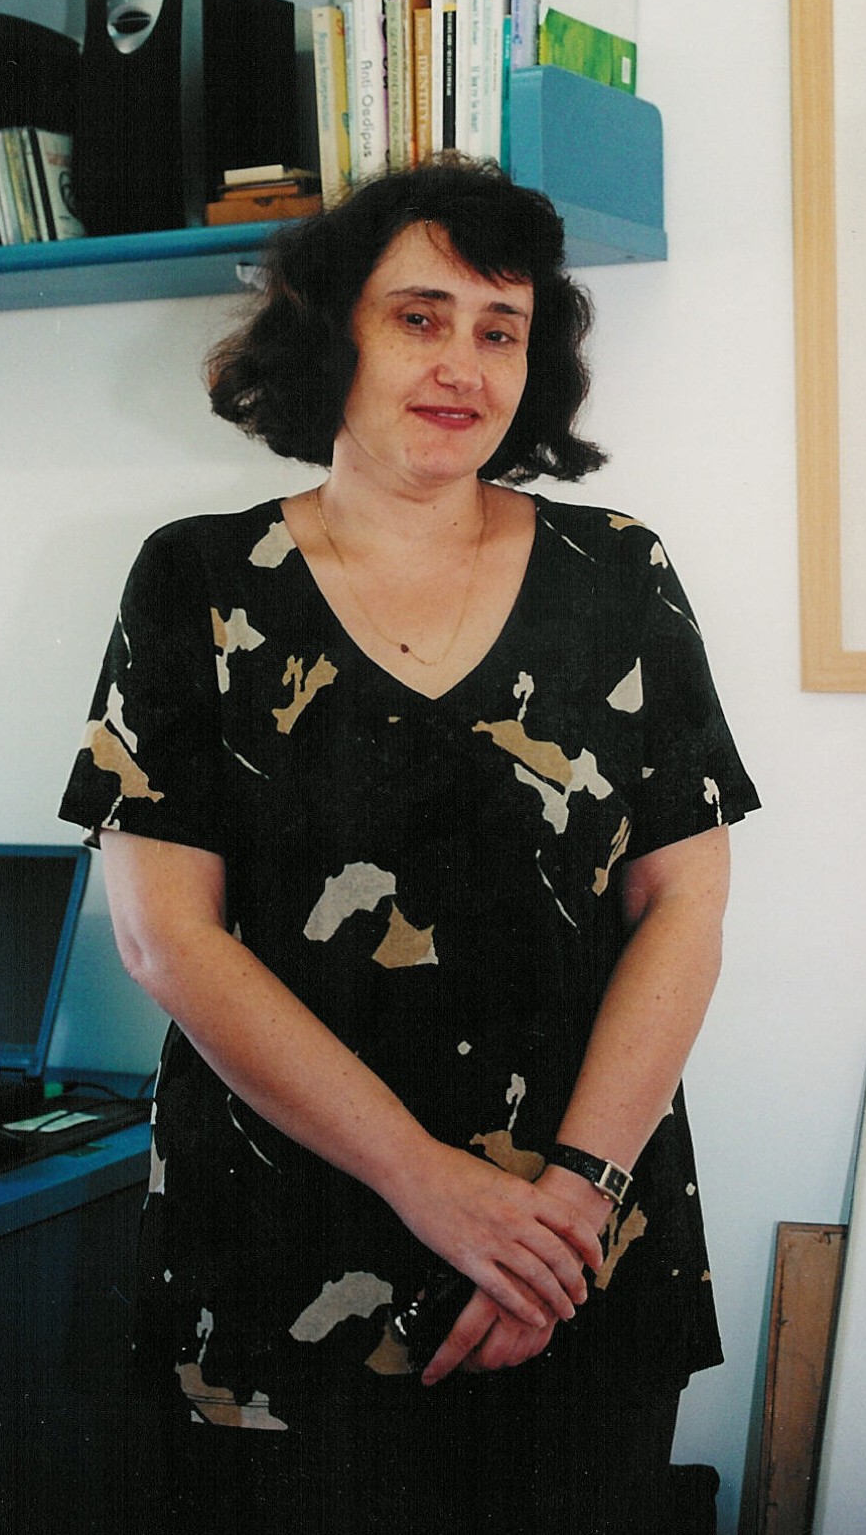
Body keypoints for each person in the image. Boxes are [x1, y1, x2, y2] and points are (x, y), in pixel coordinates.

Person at [59, 157, 759, 1534]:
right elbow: (164, 935)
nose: (461, 365)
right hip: (283, 1253)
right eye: (418, 317)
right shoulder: (195, 578)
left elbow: (685, 896)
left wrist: (568, 1203)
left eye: (501, 329)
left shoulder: (619, 574)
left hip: (572, 1255)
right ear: (333, 335)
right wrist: (429, 1184)